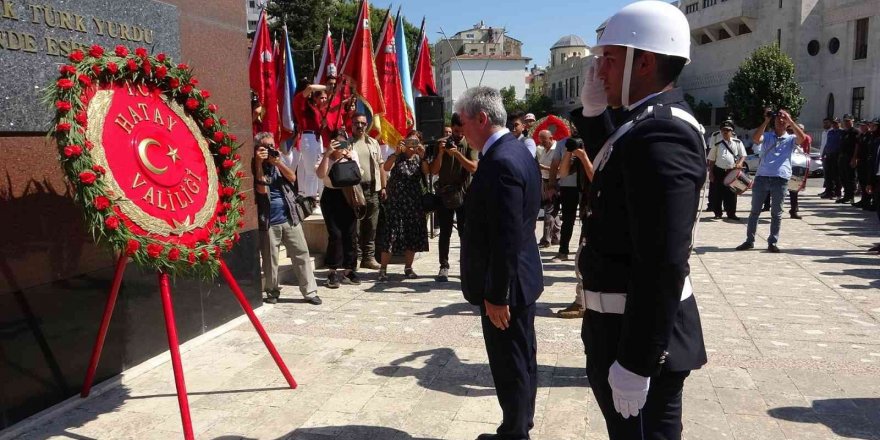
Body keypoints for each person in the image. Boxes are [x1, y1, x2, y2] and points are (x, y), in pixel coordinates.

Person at [569, 2, 708, 438]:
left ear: (644, 62)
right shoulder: (642, 123)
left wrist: (636, 360)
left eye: (609, 58)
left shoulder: (663, 132)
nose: (599, 71)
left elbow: (663, 260)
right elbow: (619, 167)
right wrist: (594, 115)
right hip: (616, 327)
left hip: (637, 338)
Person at [457, 86, 543, 440]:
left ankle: (515, 433)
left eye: (462, 122)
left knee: (511, 364)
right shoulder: (515, 152)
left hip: (506, 284)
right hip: (518, 278)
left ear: (482, 118)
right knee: (522, 359)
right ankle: (519, 425)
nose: (460, 130)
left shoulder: (503, 161)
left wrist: (496, 294)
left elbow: (506, 236)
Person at [253, 132, 322, 305]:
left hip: (290, 217)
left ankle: (310, 292)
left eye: (272, 145)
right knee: (270, 260)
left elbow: (292, 178)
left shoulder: (278, 162)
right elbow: (261, 189)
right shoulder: (255, 165)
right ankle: (272, 291)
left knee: (301, 253)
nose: (270, 149)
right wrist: (259, 162)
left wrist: (277, 162)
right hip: (269, 221)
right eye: (266, 146)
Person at [736, 108, 807, 253]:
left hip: (780, 179)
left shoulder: (791, 139)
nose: (780, 121)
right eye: (778, 118)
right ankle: (750, 241)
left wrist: (790, 120)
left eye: (783, 119)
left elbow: (802, 138)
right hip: (762, 177)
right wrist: (766, 120)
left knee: (776, 213)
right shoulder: (767, 136)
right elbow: (756, 138)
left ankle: (772, 242)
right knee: (754, 211)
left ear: (787, 123)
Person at [376, 130, 430, 282]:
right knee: (391, 236)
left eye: (415, 142)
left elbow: (427, 172)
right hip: (397, 202)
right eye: (409, 141)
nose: (412, 145)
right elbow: (386, 168)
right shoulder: (398, 156)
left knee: (411, 235)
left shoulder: (420, 158)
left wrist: (423, 155)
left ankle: (408, 267)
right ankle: (383, 269)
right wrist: (396, 153)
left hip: (414, 202)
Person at [431, 113, 478, 282]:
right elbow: (433, 171)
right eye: (455, 131)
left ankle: (466, 267)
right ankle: (443, 266)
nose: (458, 135)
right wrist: (442, 154)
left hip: (464, 195)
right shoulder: (442, 144)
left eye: (461, 131)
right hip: (445, 195)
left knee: (465, 234)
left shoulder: (470, 143)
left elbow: (473, 168)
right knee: (445, 232)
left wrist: (457, 154)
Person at [316, 132, 362, 288]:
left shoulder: (352, 154)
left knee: (351, 233)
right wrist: (329, 155)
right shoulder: (324, 156)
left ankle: (349, 270)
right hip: (330, 196)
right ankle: (332, 271)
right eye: (337, 143)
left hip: (348, 194)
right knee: (335, 234)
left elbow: (357, 175)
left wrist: (347, 157)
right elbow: (320, 174)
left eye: (343, 143)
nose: (339, 147)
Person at [556, 136, 595, 320]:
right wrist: (570, 153)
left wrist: (583, 155)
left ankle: (583, 302)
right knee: (583, 258)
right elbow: (563, 173)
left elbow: (597, 179)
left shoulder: (603, 152)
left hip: (603, 213)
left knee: (583, 259)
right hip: (588, 213)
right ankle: (583, 300)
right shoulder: (581, 155)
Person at [348, 113, 386, 270]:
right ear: (351, 124)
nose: (360, 125)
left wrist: (383, 187)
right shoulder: (347, 144)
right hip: (354, 189)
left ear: (367, 125)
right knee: (355, 225)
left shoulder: (373, 143)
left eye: (363, 123)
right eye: (356, 122)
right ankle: (355, 258)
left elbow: (381, 166)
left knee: (371, 225)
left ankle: (368, 257)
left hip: (372, 187)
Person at [291, 83, 329, 198]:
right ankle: (310, 199)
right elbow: (311, 88)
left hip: (317, 137)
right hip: (308, 137)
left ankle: (322, 199)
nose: (311, 92)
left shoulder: (312, 106)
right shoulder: (299, 100)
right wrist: (327, 87)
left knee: (320, 169)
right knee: (311, 171)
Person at [707, 120, 746, 220]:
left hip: (731, 171)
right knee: (717, 193)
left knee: (732, 193)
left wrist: (740, 163)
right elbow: (711, 160)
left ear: (732, 132)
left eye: (728, 130)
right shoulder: (717, 144)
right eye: (723, 130)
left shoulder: (738, 143)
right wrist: (711, 173)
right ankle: (717, 213)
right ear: (721, 131)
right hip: (719, 171)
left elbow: (743, 155)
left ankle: (731, 213)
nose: (725, 132)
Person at [536, 130, 561, 248]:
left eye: (544, 139)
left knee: (548, 210)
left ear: (551, 138)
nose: (541, 142)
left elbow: (560, 168)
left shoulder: (558, 149)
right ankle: (556, 236)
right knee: (553, 210)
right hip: (544, 181)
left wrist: (543, 167)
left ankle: (546, 240)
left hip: (554, 182)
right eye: (540, 139)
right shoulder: (542, 149)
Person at [838, 114, 859, 204]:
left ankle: (851, 196)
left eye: (848, 121)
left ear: (852, 121)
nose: (846, 123)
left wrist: (854, 158)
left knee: (851, 177)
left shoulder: (856, 132)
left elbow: (857, 146)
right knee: (843, 177)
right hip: (843, 157)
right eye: (845, 121)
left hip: (850, 157)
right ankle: (846, 195)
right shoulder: (844, 132)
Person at [854, 120, 874, 209]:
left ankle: (868, 201)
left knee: (867, 182)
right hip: (861, 161)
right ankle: (863, 200)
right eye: (860, 126)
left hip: (867, 162)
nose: (861, 127)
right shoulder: (862, 136)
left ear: (868, 126)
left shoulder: (870, 135)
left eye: (863, 125)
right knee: (861, 181)